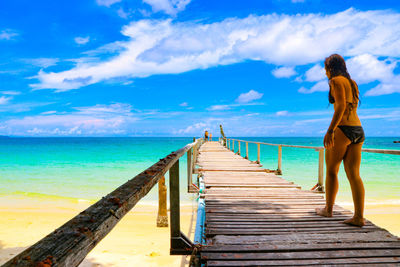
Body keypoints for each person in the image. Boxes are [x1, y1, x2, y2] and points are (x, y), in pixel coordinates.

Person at [316, 54, 366, 227]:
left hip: (343, 130)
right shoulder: (352, 83)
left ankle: (328, 210)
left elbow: (341, 106)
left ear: (330, 67)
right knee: (354, 175)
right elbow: (350, 106)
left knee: (331, 170)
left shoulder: (335, 81)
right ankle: (359, 217)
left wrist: (330, 131)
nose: (325, 72)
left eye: (325, 68)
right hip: (358, 130)